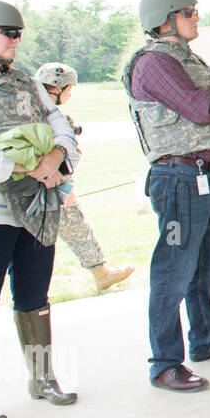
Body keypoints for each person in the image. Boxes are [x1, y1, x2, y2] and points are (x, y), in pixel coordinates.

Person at [123, 0, 210, 393]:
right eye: (188, 12)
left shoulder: (185, 58)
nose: (196, 17)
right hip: (179, 179)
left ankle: (205, 338)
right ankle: (165, 363)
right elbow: (200, 108)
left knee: (206, 267)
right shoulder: (154, 62)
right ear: (165, 18)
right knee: (173, 272)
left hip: (209, 173)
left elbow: (209, 103)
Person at [0, 1, 80, 418]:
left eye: (19, 34)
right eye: (9, 33)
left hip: (37, 206)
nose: (17, 40)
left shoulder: (25, 81)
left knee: (35, 298)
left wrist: (55, 157)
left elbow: (59, 122)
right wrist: (19, 165)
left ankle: (42, 378)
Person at [34, 62, 135, 290]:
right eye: (68, 89)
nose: (69, 94)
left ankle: (100, 271)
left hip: (49, 187)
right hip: (49, 187)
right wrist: (63, 188)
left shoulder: (39, 111)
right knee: (74, 225)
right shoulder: (44, 118)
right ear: (55, 89)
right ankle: (100, 272)